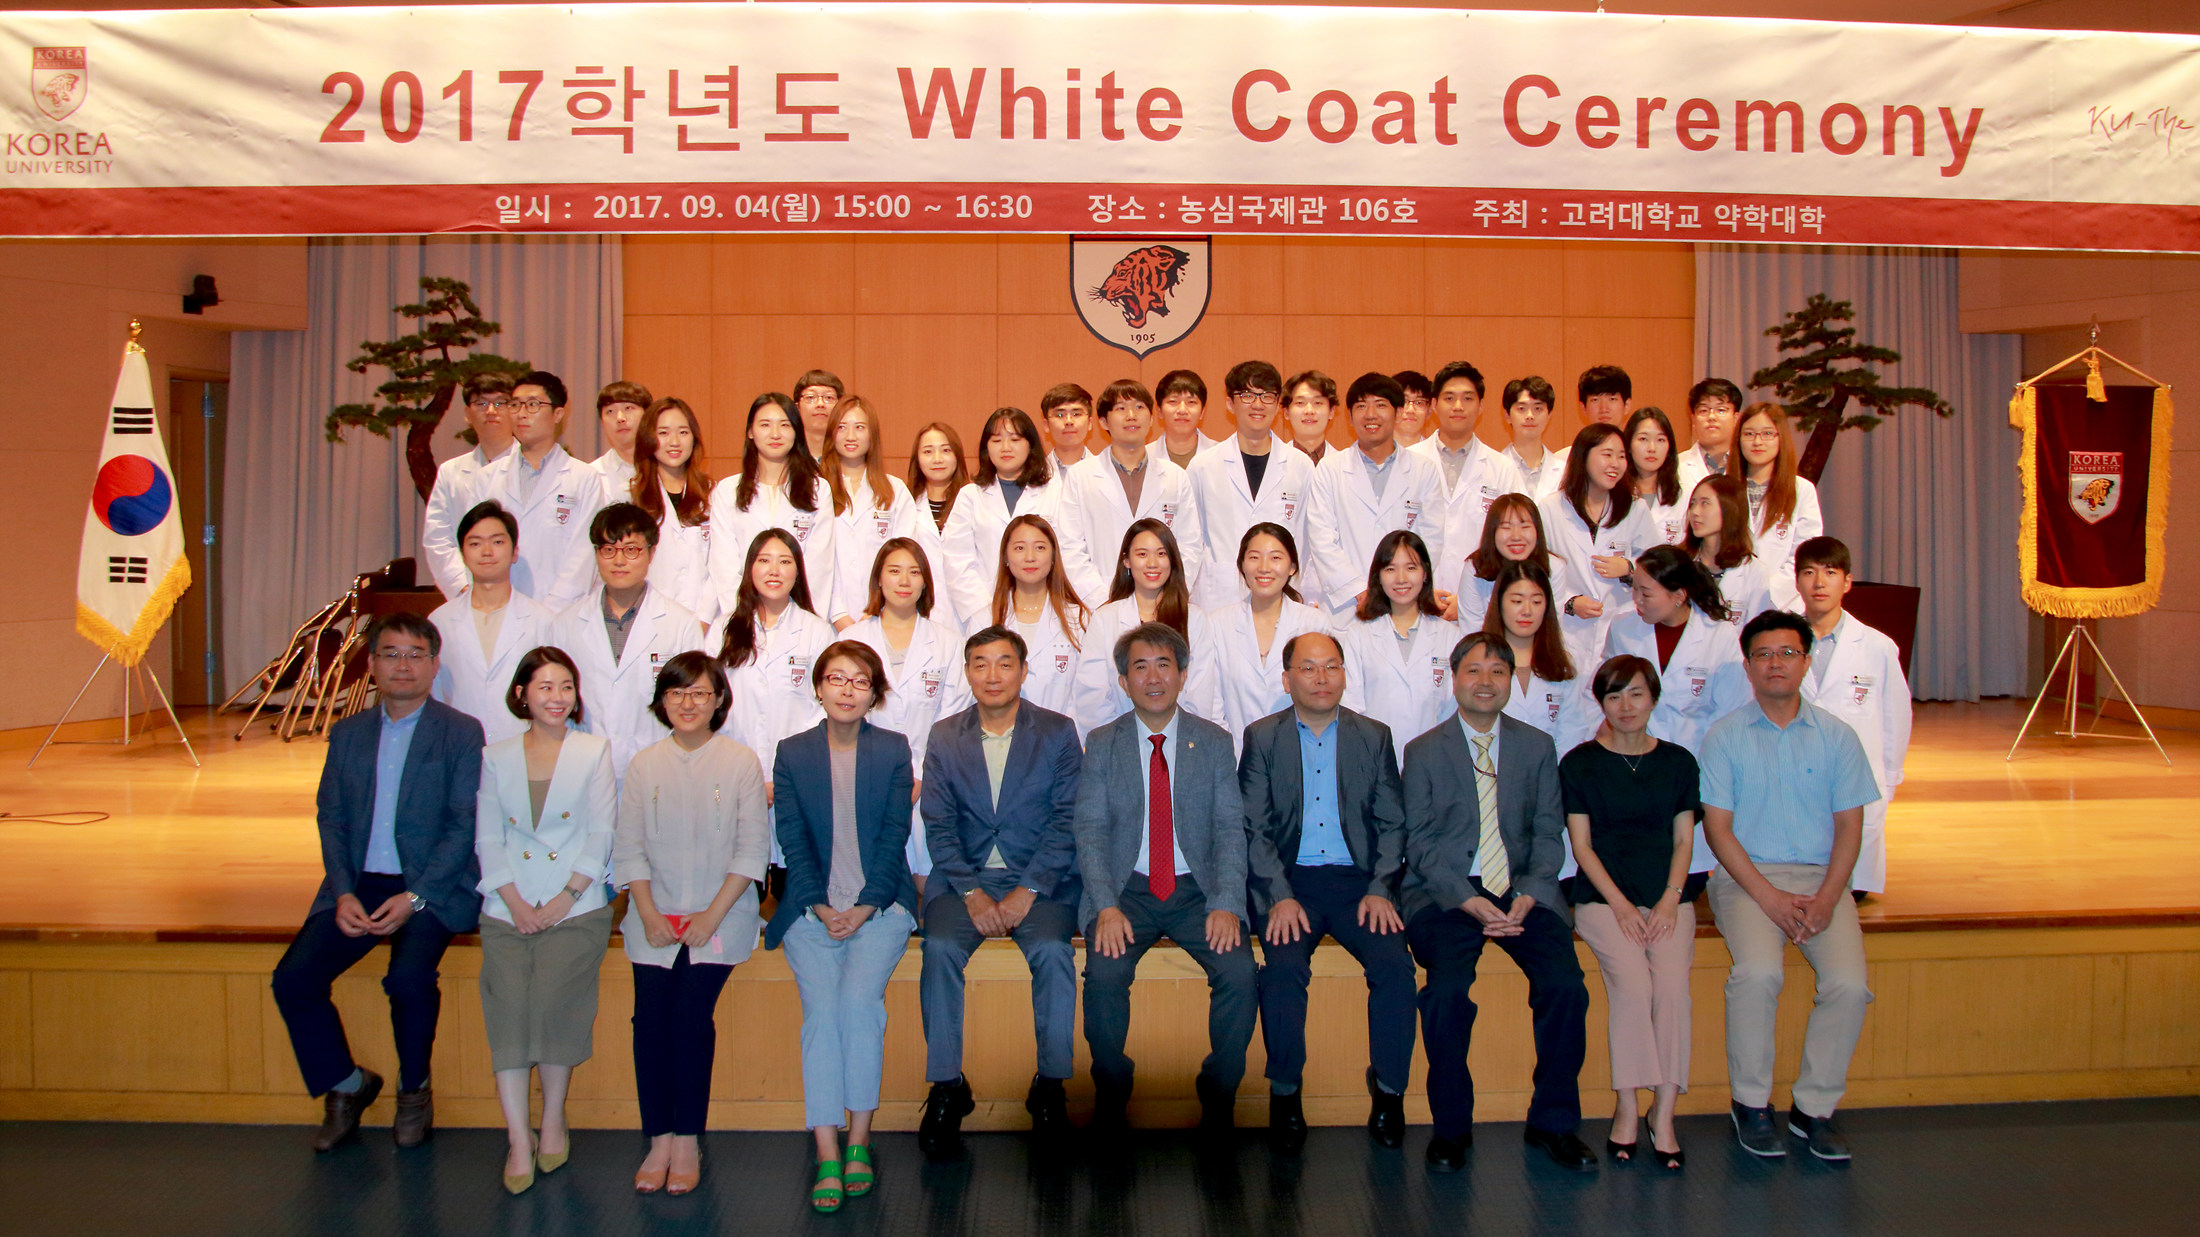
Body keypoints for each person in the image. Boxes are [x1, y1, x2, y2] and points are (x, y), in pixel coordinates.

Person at [270, 612, 485, 1153]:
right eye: (391, 654)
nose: (403, 665)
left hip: (430, 886)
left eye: (415, 654)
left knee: (407, 980)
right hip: (358, 885)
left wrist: (416, 897)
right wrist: (343, 892)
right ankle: (347, 1084)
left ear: (434, 665)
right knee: (293, 979)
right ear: (371, 664)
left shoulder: (461, 732)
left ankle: (414, 1090)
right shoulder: (348, 734)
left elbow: (464, 824)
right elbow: (332, 818)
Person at [1401, 633, 1596, 1174]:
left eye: (1497, 672)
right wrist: (1466, 899)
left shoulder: (1537, 746)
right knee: (1445, 994)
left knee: (1566, 987)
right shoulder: (1422, 750)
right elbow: (1419, 843)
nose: (1485, 682)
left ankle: (1553, 1122)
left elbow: (1548, 831)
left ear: (1511, 681)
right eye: (1473, 670)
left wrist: (1531, 891)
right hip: (1446, 892)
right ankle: (1451, 1128)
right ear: (1454, 679)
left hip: (1522, 890)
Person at [1700, 611, 1880, 1163]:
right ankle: (1751, 1105)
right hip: (1746, 881)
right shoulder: (1725, 736)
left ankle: (1814, 1110)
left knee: (1849, 985)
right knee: (1758, 974)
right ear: (1748, 665)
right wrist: (1769, 897)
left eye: (1787, 653)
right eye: (1763, 654)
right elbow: (1718, 831)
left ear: (1806, 661)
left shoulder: (1838, 737)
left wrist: (1829, 898)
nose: (1775, 663)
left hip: (1822, 881)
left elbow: (1851, 827)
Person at [1075, 622, 1255, 1132]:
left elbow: (1230, 830)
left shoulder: (1214, 741)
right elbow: (1089, 831)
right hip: (1126, 890)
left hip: (1197, 890)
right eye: (1140, 667)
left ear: (1182, 674)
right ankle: (1112, 1091)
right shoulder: (1102, 743)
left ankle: (1219, 1093)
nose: (1153, 678)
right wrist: (1106, 906)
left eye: (1163, 665)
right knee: (1104, 976)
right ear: (1123, 680)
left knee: (1240, 973)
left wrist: (1227, 902)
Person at [1240, 630, 1414, 1149]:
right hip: (1290, 880)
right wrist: (1278, 894)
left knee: (1395, 967)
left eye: (1331, 666)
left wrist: (1381, 886)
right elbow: (1254, 827)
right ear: (1287, 678)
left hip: (1359, 883)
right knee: (1283, 970)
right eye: (1309, 668)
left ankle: (1389, 1091)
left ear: (1344, 673)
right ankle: (1285, 1092)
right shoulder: (1262, 737)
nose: (1321, 678)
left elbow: (1392, 822)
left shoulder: (1373, 736)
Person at [915, 626, 1085, 1153]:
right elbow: (938, 824)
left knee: (1053, 951)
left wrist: (1027, 890)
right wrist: (973, 894)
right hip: (962, 880)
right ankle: (947, 1086)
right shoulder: (945, 735)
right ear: (967, 672)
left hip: (1041, 879)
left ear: (1024, 671)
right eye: (981, 664)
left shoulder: (1057, 731)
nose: (993, 675)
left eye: (1005, 663)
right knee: (939, 948)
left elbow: (1067, 820)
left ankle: (1050, 1086)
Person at [767, 641, 921, 1214]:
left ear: (874, 693)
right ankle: (826, 1149)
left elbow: (894, 835)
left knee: (858, 1005)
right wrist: (817, 903)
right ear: (818, 687)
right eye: (836, 678)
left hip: (880, 907)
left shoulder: (893, 749)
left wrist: (864, 904)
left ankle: (859, 1140)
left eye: (860, 680)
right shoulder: (792, 752)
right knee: (822, 1014)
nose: (847, 690)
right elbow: (791, 837)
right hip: (810, 910)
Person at [614, 652, 771, 1195]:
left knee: (688, 1017)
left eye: (700, 693)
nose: (688, 703)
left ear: (719, 700)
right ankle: (657, 1138)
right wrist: (648, 913)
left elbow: (752, 850)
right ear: (662, 700)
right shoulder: (644, 764)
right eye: (677, 693)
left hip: (720, 917)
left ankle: (686, 1140)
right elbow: (628, 849)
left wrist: (710, 916)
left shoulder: (740, 762)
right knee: (648, 1021)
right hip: (653, 917)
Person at [473, 647, 617, 1195]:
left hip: (576, 905)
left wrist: (565, 897)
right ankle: (518, 1136)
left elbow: (601, 832)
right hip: (507, 906)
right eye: (545, 687)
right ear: (521, 695)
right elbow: (489, 838)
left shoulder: (593, 750)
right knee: (508, 1012)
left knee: (556, 1005)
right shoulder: (496, 755)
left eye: (566, 687)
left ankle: (553, 1118)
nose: (557, 698)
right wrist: (514, 902)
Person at [1560, 654, 1704, 1172]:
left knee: (1672, 989)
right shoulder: (1579, 763)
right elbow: (1582, 847)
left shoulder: (1679, 762)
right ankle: (1626, 1103)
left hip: (1667, 897)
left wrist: (1669, 897)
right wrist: (1621, 905)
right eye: (1614, 695)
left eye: (1636, 693)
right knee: (1634, 986)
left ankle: (1663, 1111)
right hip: (1603, 900)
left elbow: (1684, 839)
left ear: (1654, 698)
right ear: (1601, 703)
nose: (1626, 705)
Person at [1601, 546, 1750, 873]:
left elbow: (1731, 714)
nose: (1636, 600)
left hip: (1696, 766)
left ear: (1679, 596)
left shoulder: (1719, 636)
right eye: (1634, 589)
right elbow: (1606, 697)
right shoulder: (1623, 628)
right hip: (1634, 764)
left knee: (1689, 867)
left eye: (1646, 593)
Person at [841, 538, 973, 891]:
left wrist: (919, 775)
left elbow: (954, 718)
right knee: (868, 877)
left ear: (926, 582)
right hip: (865, 775)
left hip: (931, 779)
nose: (904, 581)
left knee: (926, 879)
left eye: (914, 572)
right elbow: (842, 713)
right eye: (894, 571)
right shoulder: (850, 641)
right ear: (878, 579)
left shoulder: (948, 643)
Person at [708, 528, 837, 864]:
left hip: (797, 776)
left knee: (792, 868)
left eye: (785, 561)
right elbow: (710, 703)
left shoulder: (817, 631)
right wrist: (751, 778)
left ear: (798, 572)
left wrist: (781, 776)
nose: (774, 570)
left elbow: (826, 708)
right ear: (750, 568)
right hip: (734, 773)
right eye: (764, 560)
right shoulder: (723, 630)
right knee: (739, 869)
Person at [1794, 537, 1911, 897]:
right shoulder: (1781, 644)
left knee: (1851, 886)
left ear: (1847, 582)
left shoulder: (1877, 646)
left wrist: (1889, 778)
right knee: (1799, 879)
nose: (1819, 583)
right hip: (1794, 772)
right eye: (1809, 573)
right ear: (1796, 581)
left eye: (1830, 573)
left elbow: (1896, 719)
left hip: (1856, 777)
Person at [553, 502, 706, 779]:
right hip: (582, 769)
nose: (619, 560)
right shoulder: (565, 625)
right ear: (596, 553)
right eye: (608, 549)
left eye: (631, 549)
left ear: (651, 553)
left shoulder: (680, 624)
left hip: (659, 770)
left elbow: (693, 706)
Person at [1307, 372, 1449, 621]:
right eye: (1361, 406)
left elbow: (1430, 539)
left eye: (1381, 405)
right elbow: (1322, 540)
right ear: (1349, 416)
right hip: (1348, 607)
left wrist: (1399, 587)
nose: (1370, 414)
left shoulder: (1423, 470)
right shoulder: (1330, 470)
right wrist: (1359, 591)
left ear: (1398, 412)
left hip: (1404, 601)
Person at [1185, 360, 1320, 610]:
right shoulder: (1203, 466)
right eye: (1247, 395)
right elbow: (1190, 540)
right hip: (1219, 597)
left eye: (1267, 396)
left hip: (1283, 596)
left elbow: (1308, 541)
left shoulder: (1300, 466)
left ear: (1278, 405)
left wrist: (1309, 595)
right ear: (1230, 403)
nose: (1258, 404)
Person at [1057, 378, 1204, 606]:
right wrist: (1103, 601)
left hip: (1163, 604)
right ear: (1103, 421)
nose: (1131, 415)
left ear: (1152, 419)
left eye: (1139, 407)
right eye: (1121, 408)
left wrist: (1167, 596)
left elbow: (1190, 545)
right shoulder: (1080, 476)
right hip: (1101, 602)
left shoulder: (1175, 476)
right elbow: (1070, 547)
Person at [939, 407, 1091, 623]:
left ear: (1030, 445)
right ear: (986, 448)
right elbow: (956, 561)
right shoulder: (970, 496)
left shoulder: (1056, 492)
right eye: (996, 440)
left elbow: (1067, 553)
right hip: (985, 611)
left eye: (1015, 439)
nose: (1006, 447)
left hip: (1046, 610)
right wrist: (985, 612)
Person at [1074, 518, 1221, 739]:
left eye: (1161, 554)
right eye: (1142, 554)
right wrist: (1121, 742)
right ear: (1127, 561)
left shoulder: (1194, 619)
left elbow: (1200, 694)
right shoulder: (1105, 619)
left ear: (1172, 560)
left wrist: (1174, 741)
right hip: (1119, 742)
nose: (1152, 563)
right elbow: (1092, 696)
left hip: (1182, 743)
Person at [477, 370, 606, 612]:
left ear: (558, 414)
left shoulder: (584, 478)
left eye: (533, 405)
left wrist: (550, 613)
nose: (521, 413)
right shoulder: (487, 478)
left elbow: (583, 556)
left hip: (562, 612)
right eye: (515, 405)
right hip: (499, 608)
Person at [707, 392, 837, 622]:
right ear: (750, 431)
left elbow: (819, 567)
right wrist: (743, 618)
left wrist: (805, 621)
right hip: (743, 618)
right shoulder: (727, 491)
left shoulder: (818, 489)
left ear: (796, 432)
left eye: (784, 425)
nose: (775, 434)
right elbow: (724, 566)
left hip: (800, 619)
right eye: (765, 425)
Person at [430, 501, 551, 745]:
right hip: (457, 748)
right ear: (463, 554)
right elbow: (433, 696)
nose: (486, 551)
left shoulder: (543, 621)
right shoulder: (438, 622)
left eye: (497, 542)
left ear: (514, 552)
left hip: (523, 749)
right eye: (475, 543)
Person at [1339, 530, 1464, 768]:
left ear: (1425, 573)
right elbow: (1351, 707)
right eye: (1390, 569)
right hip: (1375, 763)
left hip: (1436, 763)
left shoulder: (1450, 637)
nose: (1401, 578)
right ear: (1378, 576)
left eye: (1411, 567)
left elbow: (1453, 708)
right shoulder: (1358, 635)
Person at [822, 395, 947, 629]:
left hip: (882, 616)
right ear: (831, 434)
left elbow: (904, 559)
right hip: (827, 618)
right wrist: (838, 615)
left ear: (872, 435)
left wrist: (874, 610)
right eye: (842, 427)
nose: (851, 436)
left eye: (860, 427)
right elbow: (813, 563)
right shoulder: (815, 490)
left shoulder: (895, 491)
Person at [1206, 524, 1330, 753]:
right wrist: (1229, 755)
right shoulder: (1217, 624)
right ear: (1242, 565)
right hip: (1236, 756)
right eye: (1254, 557)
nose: (1264, 568)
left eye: (1275, 558)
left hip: (1302, 753)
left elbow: (1324, 697)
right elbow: (1211, 703)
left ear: (1292, 567)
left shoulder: (1314, 624)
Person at [1408, 360, 1526, 594]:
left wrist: (1466, 598)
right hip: (1415, 593)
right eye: (1449, 398)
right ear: (1434, 405)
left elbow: (1517, 538)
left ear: (1481, 406)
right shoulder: (1407, 462)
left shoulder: (1502, 469)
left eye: (1468, 398)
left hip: (1481, 594)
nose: (1458, 406)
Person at [1540, 422, 1656, 651]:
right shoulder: (1551, 509)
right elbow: (1538, 569)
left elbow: (1657, 563)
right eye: (1607, 454)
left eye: (1621, 456)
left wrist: (1629, 566)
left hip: (1622, 628)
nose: (1616, 464)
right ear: (1583, 457)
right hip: (1567, 631)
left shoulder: (1635, 508)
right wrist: (1570, 602)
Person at [1484, 561, 1598, 755]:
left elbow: (1572, 731)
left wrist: (1549, 770)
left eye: (1536, 602)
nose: (1527, 610)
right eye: (1517, 601)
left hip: (1551, 769)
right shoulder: (1479, 662)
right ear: (1499, 603)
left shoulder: (1561, 665)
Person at [421, 373, 517, 600]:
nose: (491, 411)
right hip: (466, 592)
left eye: (500, 403)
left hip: (522, 589)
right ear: (467, 413)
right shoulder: (450, 472)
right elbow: (438, 539)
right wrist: (462, 588)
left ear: (514, 409)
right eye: (481, 403)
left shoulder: (532, 467)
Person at [986, 513, 1089, 718]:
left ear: (1053, 557)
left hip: (1063, 735)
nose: (1030, 557)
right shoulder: (984, 620)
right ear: (1005, 557)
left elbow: (1087, 693)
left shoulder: (1078, 619)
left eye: (1040, 547)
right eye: (1019, 548)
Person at [632, 396, 717, 623]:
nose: (674, 441)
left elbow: (721, 564)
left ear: (694, 438)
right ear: (648, 439)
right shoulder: (631, 496)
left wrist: (704, 619)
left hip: (704, 620)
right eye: (663, 433)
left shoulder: (713, 494)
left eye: (683, 432)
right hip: (648, 618)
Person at [1683, 472, 1792, 622]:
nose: (1695, 512)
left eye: (1705, 503)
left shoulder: (1754, 571)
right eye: (1693, 504)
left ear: (1729, 508)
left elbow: (1755, 629)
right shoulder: (1680, 562)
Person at [1735, 402, 1825, 583]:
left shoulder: (1802, 490)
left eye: (1767, 434)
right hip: (1730, 592)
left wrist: (1769, 591)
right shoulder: (1722, 488)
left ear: (1780, 437)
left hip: (1783, 594)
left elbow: (1805, 554)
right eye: (1749, 434)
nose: (1757, 442)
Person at [1454, 492, 1553, 632]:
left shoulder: (1554, 567)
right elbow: (1471, 630)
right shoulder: (1475, 569)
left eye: (1525, 527)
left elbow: (1551, 627)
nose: (1516, 537)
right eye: (1506, 527)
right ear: (1492, 531)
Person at [1499, 375, 1569, 501]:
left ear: (1549, 415)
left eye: (1538, 408)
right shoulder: (1494, 467)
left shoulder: (1565, 472)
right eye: (1522, 408)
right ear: (1507, 415)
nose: (1530, 415)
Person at [1624, 406, 1687, 546]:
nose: (1652, 448)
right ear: (1628, 445)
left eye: (1660, 440)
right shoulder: (1614, 492)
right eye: (1643, 439)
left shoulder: (1684, 496)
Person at [1674, 377, 1743, 498]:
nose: (1711, 417)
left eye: (1721, 410)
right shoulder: (1675, 467)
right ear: (1693, 419)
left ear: (1736, 418)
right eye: (1703, 410)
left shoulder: (1748, 465)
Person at [591, 380, 651, 501]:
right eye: (610, 411)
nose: (620, 418)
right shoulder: (592, 475)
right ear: (602, 423)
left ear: (648, 415)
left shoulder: (668, 468)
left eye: (628, 408)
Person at [907, 421, 971, 532]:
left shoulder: (973, 501)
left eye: (946, 450)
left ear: (957, 456)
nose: (937, 459)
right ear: (917, 459)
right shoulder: (905, 502)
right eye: (928, 452)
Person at [1153, 368, 1221, 467]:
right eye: (1173, 401)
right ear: (1159, 411)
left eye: (1191, 402)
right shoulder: (1144, 457)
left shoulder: (1221, 454)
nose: (1182, 410)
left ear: (1202, 412)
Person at [1282, 369, 1338, 465]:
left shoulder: (1342, 465)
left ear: (1331, 411)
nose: (1309, 411)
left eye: (1317, 403)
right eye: (1300, 403)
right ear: (1286, 412)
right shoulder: (1273, 463)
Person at [1040, 382, 1096, 470]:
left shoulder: (1108, 473)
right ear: (1046, 425)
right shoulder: (1034, 475)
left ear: (1089, 423)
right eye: (1060, 415)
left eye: (1076, 414)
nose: (1069, 421)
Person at [793, 368, 845, 463]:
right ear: (797, 407)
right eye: (811, 397)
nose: (820, 404)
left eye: (829, 397)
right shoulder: (785, 456)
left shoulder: (850, 457)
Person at [1392, 369, 1433, 446]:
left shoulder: (1435, 453)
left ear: (1429, 411)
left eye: (1419, 402)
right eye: (1404, 401)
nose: (1410, 410)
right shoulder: (1371, 451)